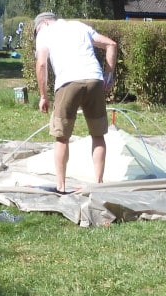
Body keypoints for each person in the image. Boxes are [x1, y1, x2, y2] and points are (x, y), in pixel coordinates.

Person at [33, 11, 117, 194]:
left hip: (68, 82)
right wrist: (108, 76)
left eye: (37, 28)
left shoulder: (44, 32)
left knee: (62, 137)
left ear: (45, 23)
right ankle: (98, 184)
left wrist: (43, 96)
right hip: (94, 79)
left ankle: (61, 186)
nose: (37, 32)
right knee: (98, 135)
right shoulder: (79, 26)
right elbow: (111, 44)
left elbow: (41, 65)